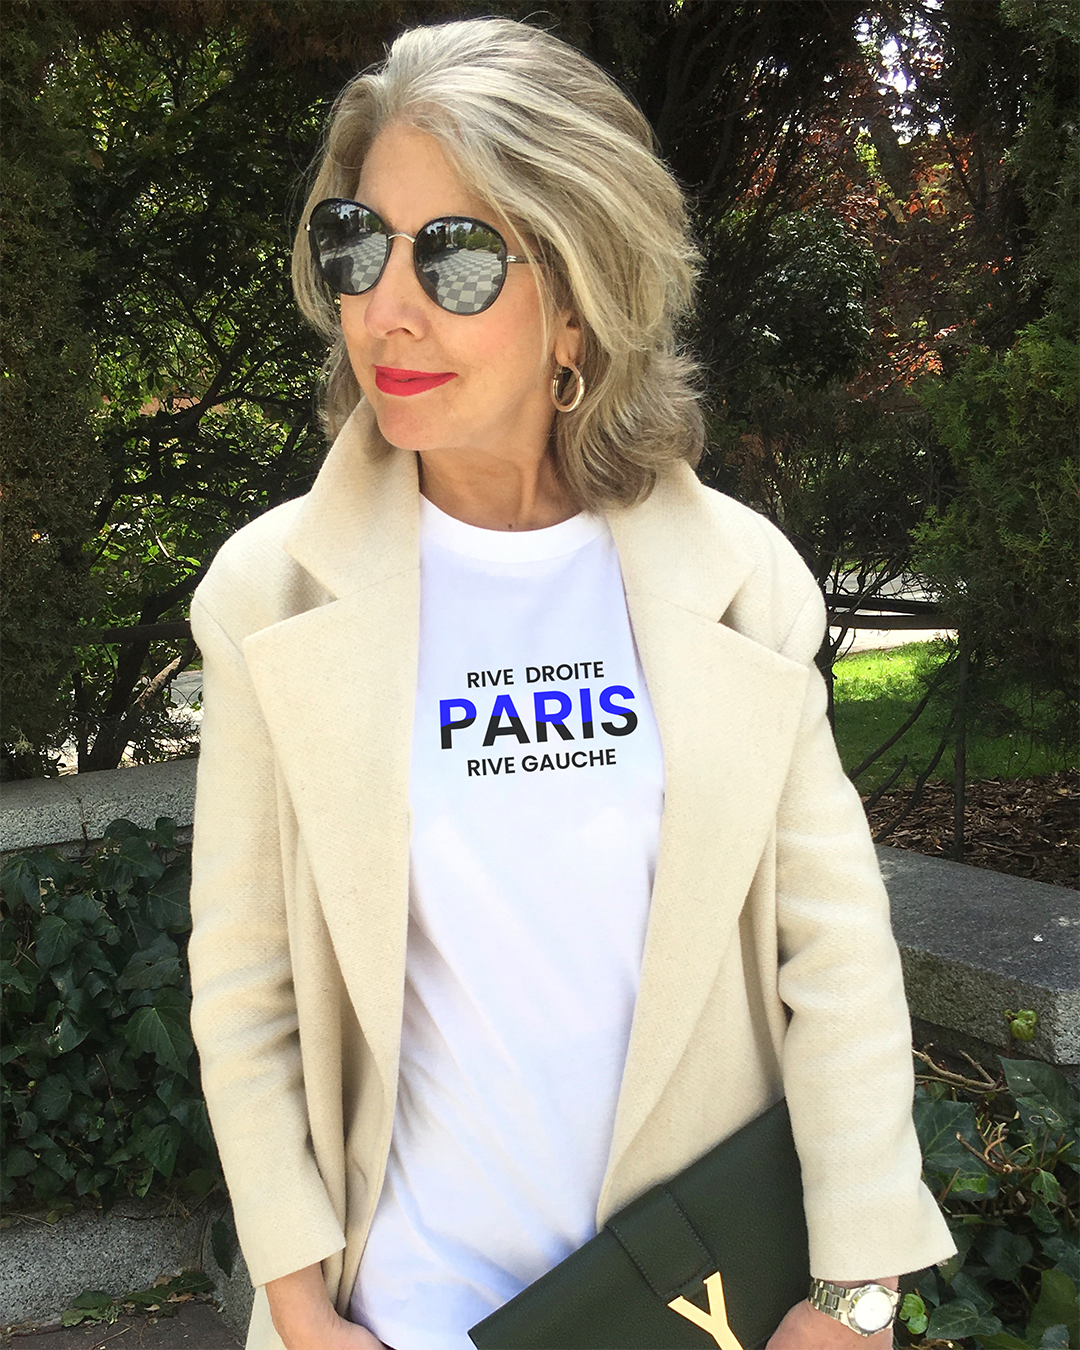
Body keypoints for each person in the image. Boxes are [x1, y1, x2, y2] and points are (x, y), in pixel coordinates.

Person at [186, 18, 955, 1350]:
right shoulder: (270, 595)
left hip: (694, 1303)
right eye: (359, 244)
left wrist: (858, 1290)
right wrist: (302, 1307)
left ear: (582, 298)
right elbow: (247, 980)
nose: (387, 307)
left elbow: (833, 954)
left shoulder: (741, 582)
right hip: (404, 1313)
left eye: (457, 255)